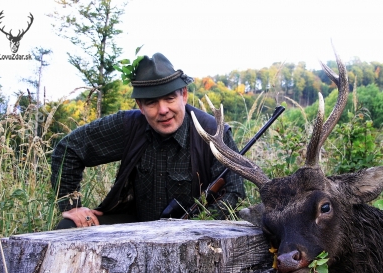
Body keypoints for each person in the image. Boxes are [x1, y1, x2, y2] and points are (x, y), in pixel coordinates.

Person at [51, 53, 245, 229]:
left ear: (183, 95)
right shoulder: (128, 126)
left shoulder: (212, 131)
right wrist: (71, 205)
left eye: (169, 98)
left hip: (192, 231)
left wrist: (198, 225)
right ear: (140, 106)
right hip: (134, 226)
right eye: (151, 102)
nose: (162, 110)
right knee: (68, 227)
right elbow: (69, 149)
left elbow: (234, 193)